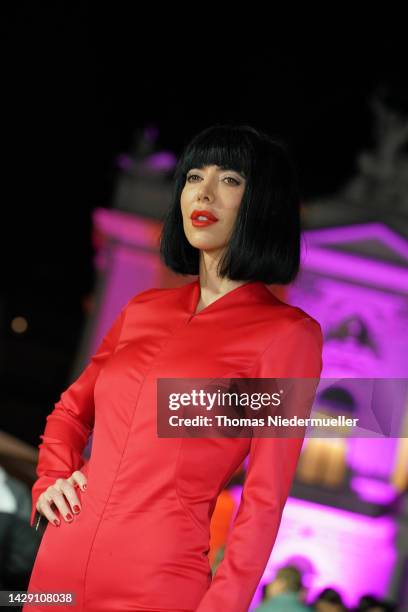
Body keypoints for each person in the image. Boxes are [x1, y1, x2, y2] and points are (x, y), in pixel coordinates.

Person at [24, 124, 323, 611]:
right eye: (193, 176)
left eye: (229, 179)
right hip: (58, 565)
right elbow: (70, 412)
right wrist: (51, 477)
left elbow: (264, 502)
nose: (203, 191)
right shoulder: (144, 309)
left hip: (156, 583)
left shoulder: (287, 336)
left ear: (263, 201)